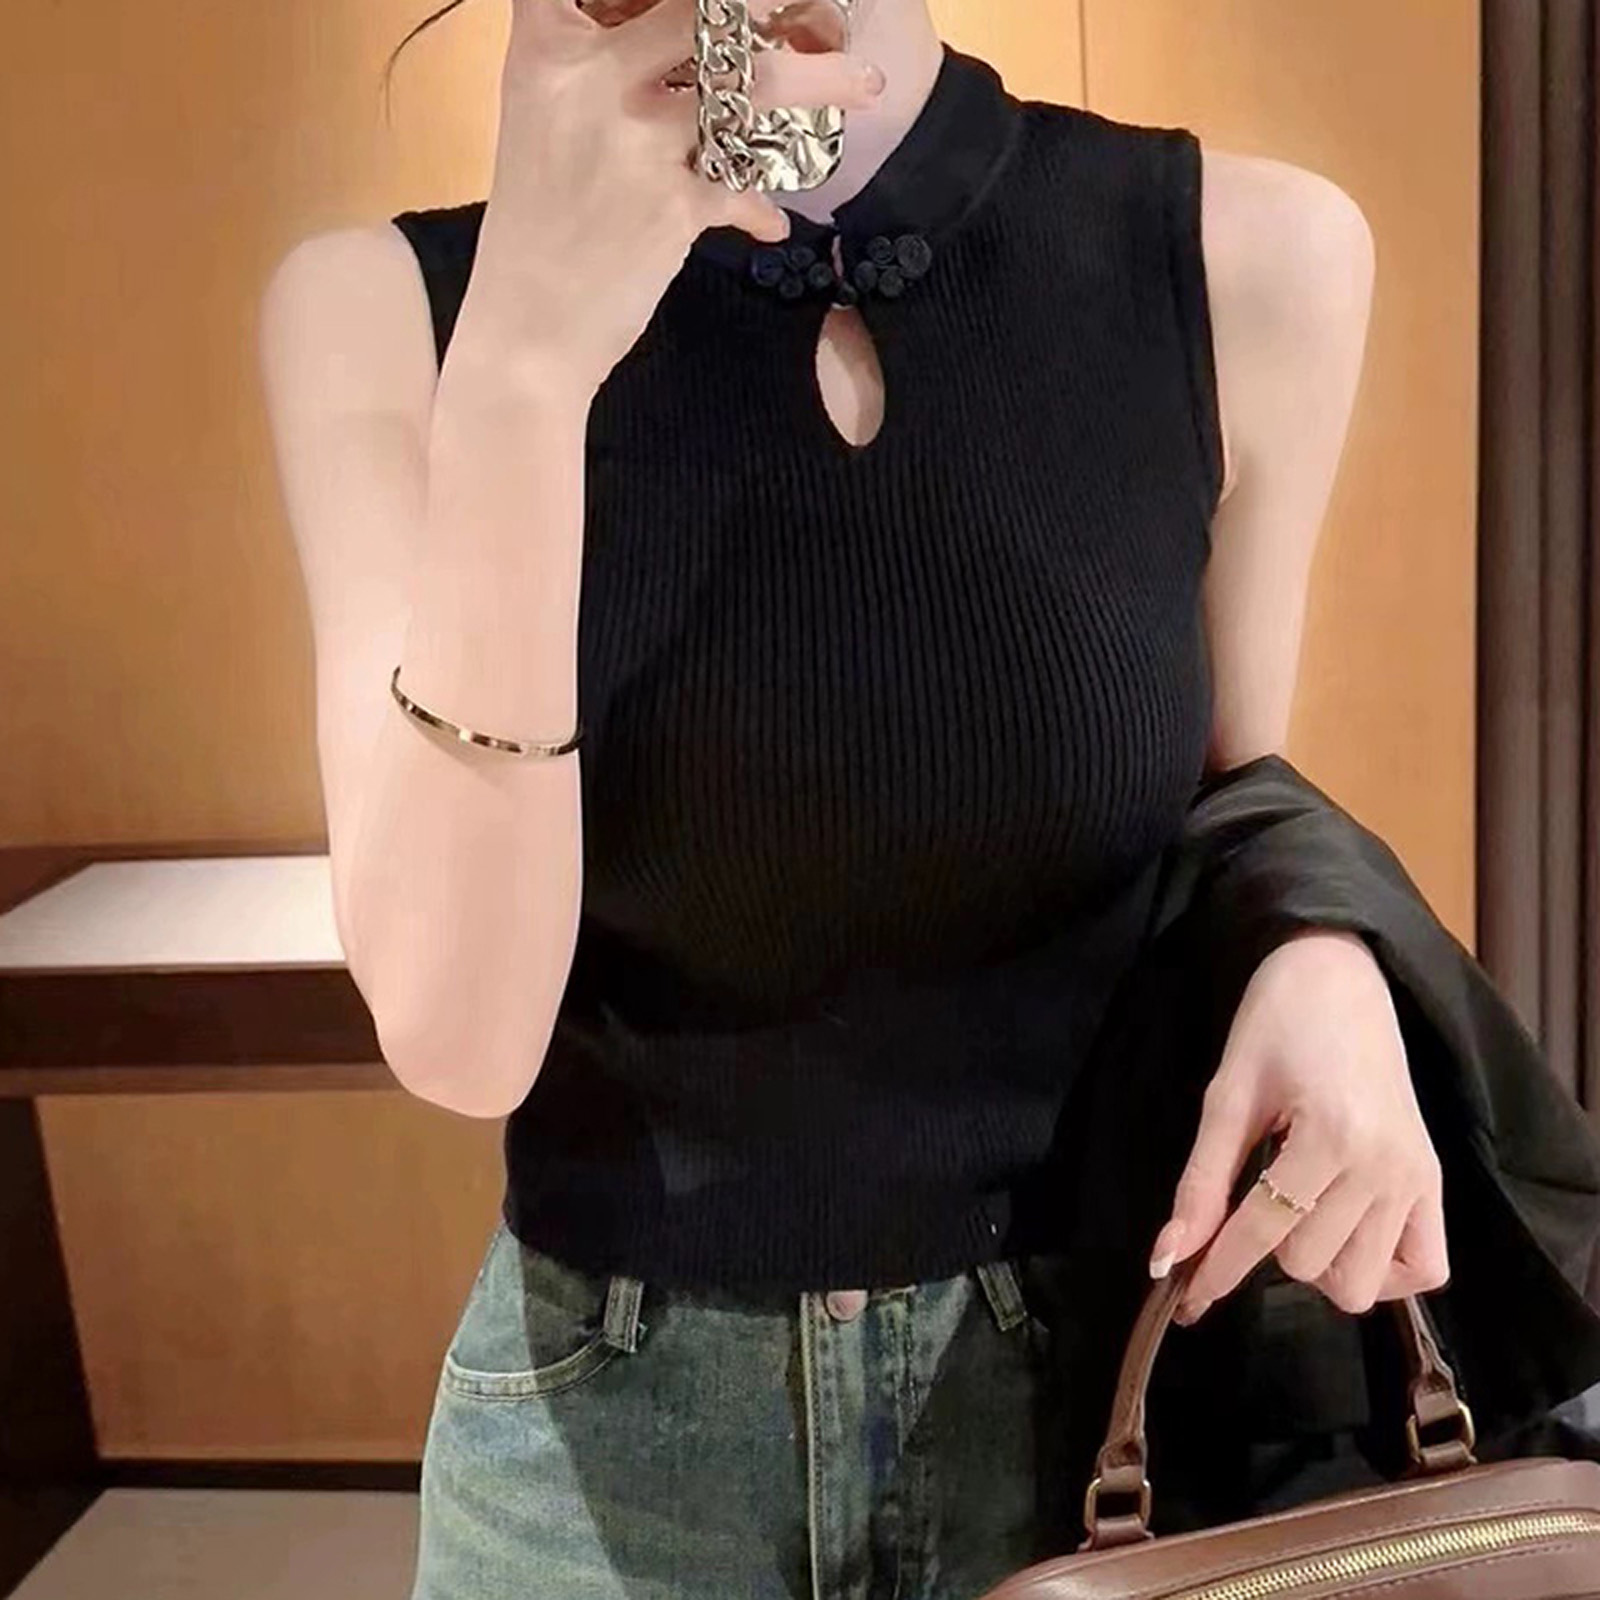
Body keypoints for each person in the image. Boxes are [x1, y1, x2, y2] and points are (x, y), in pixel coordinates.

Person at [256, 1, 1431, 1595]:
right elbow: (461, 1038)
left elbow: (1223, 806)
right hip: (604, 1452)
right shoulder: (382, 316)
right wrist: (525, 369)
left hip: (1088, 1422)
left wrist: (1320, 952)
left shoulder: (1249, 259)